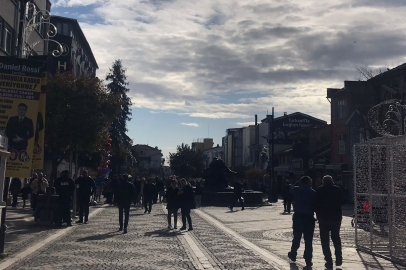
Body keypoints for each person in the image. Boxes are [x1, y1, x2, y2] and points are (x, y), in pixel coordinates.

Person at [315, 175, 344, 268]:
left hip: (323, 218)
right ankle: (338, 257)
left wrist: (318, 214)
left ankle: (328, 260)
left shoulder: (320, 190)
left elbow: (316, 203)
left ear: (323, 181)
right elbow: (343, 200)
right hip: (336, 218)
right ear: (332, 181)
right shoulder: (337, 189)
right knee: (336, 238)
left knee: (324, 240)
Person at [288, 176, 316, 268]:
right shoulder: (312, 192)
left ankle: (293, 253)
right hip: (309, 218)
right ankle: (308, 259)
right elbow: (315, 204)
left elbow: (290, 188)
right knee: (308, 240)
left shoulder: (296, 189)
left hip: (298, 217)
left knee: (296, 237)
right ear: (308, 183)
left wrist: (298, 182)